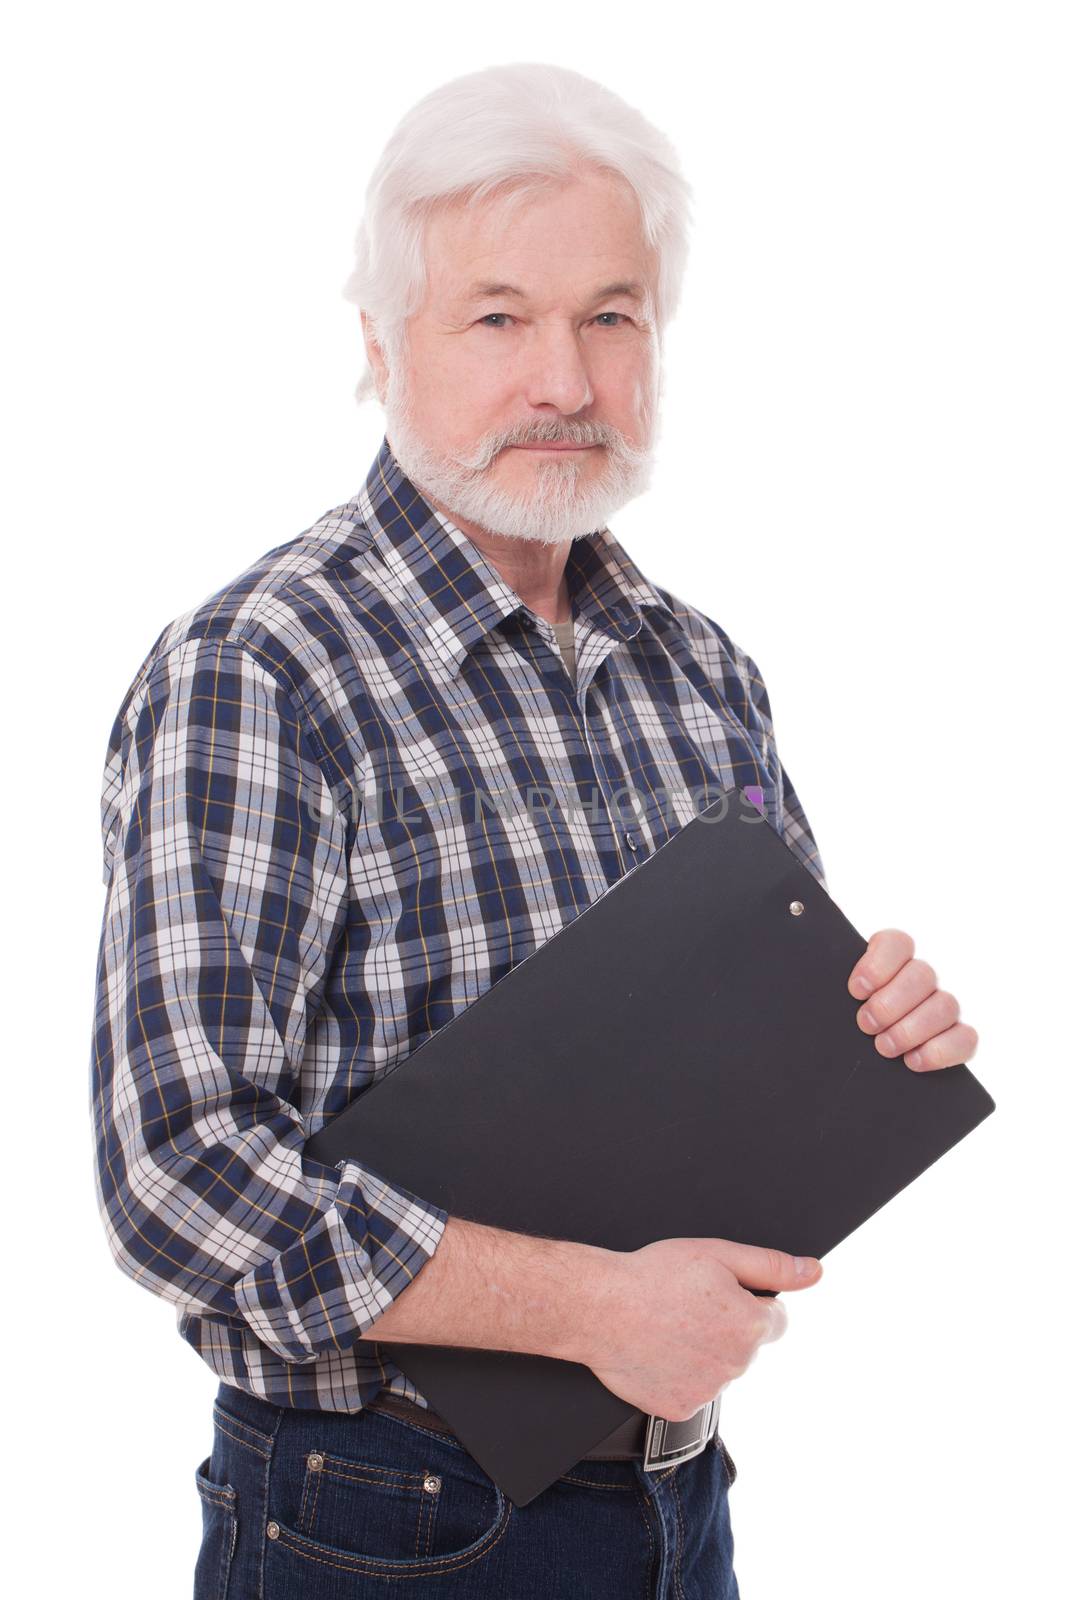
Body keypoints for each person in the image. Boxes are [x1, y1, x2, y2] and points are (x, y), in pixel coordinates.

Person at [89, 61, 979, 1600]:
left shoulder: (702, 671)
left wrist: (868, 1037)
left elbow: (732, 1091)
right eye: (499, 316)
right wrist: (588, 1312)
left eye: (612, 316)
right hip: (377, 1519)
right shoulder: (261, 673)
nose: (565, 380)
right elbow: (180, 1176)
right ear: (382, 344)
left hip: (680, 1506)